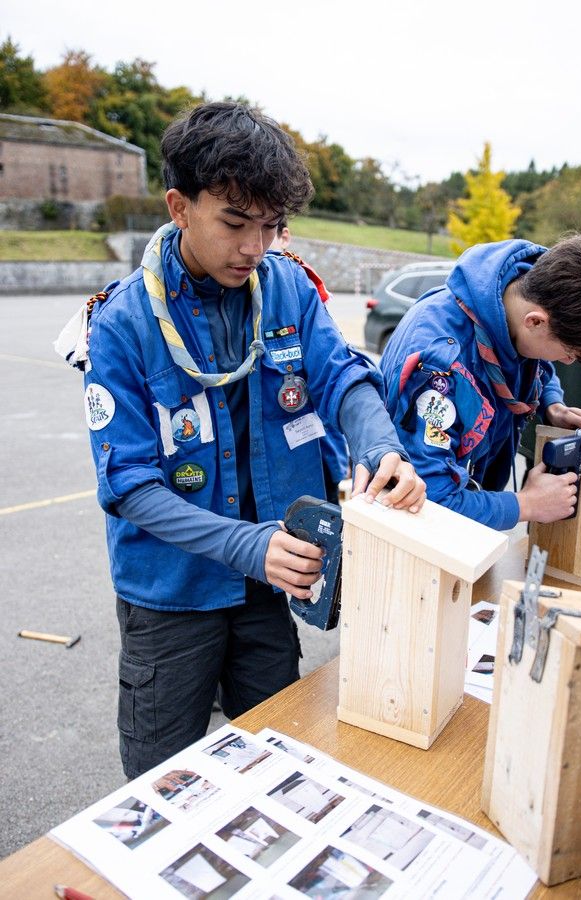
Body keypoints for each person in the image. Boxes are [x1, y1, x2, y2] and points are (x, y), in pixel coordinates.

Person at [76, 102, 426, 779]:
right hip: (171, 597)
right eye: (235, 224)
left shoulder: (287, 287)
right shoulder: (122, 323)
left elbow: (343, 377)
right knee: (163, 781)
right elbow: (129, 486)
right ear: (180, 207)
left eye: (270, 226)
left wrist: (383, 449)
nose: (254, 248)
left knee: (276, 764)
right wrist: (249, 546)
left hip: (268, 587)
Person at [380, 233, 581, 531]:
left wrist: (552, 405)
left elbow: (537, 362)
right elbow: (428, 502)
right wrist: (527, 504)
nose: (568, 362)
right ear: (535, 321)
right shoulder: (439, 370)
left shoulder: (521, 300)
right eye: (570, 352)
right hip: (412, 539)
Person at [267, 218, 349, 502]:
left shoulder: (302, 289)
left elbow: (334, 367)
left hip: (319, 438)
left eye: (267, 232)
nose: (255, 249)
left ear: (284, 237)